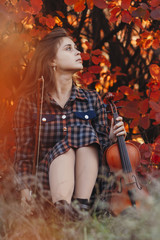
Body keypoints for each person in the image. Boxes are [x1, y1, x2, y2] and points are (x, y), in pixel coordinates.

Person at [13, 27, 126, 219]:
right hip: (46, 183)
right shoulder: (30, 103)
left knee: (82, 132)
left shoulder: (92, 99)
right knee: (68, 146)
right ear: (51, 61)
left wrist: (111, 138)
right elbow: (24, 153)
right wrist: (24, 188)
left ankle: (76, 211)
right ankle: (66, 211)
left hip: (92, 185)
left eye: (76, 48)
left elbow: (102, 154)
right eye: (68, 49)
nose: (78, 53)